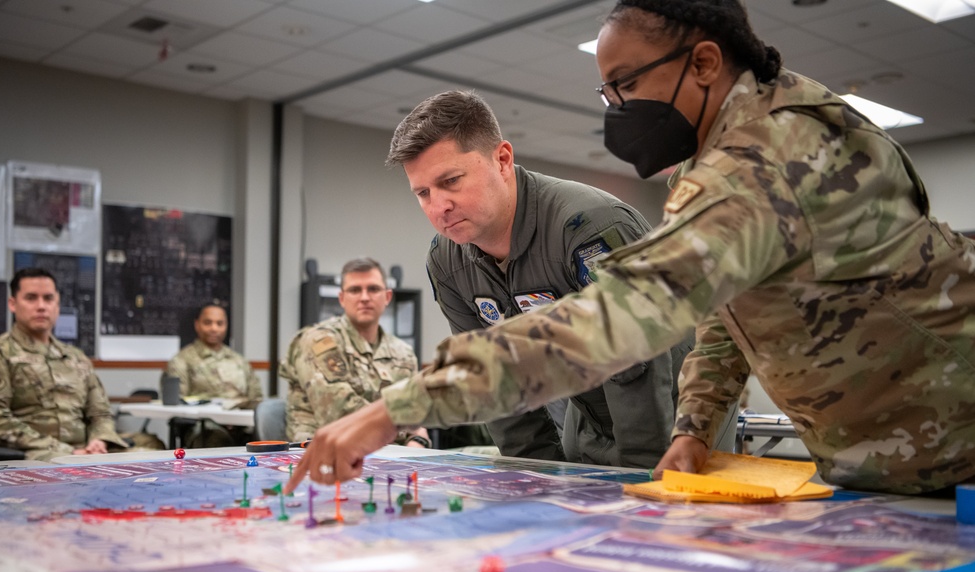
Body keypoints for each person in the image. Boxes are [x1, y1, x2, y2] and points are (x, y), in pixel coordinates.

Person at [287, 0, 975, 497]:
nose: (615, 107)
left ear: (703, 62)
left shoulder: (766, 157)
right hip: (897, 465)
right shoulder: (721, 158)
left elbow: (614, 321)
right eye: (606, 90)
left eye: (627, 85)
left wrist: (395, 408)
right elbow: (730, 311)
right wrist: (696, 424)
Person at [386, 89, 702, 468]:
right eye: (423, 192)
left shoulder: (589, 227)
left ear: (502, 160)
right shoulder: (446, 261)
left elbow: (638, 365)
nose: (438, 207)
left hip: (680, 415)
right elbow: (491, 380)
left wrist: (638, 477)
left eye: (451, 180)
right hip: (586, 414)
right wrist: (532, 475)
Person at [0, 268, 163, 461]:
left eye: (48, 298)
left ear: (57, 305)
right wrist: (66, 451)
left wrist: (99, 440)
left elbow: (100, 411)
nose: (41, 306)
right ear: (13, 304)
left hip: (84, 450)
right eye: (31, 298)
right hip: (33, 454)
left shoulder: (75, 357)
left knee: (157, 453)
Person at [280, 258, 429, 448]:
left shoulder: (404, 353)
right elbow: (339, 411)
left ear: (387, 297)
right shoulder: (318, 341)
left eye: (373, 289)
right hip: (326, 454)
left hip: (388, 454)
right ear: (342, 298)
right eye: (355, 290)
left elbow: (415, 414)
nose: (364, 297)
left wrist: (416, 442)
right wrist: (405, 431)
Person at [165, 303, 263, 446]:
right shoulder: (182, 360)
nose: (214, 328)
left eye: (220, 323)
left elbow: (256, 397)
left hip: (242, 425)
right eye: (208, 323)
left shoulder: (239, 361)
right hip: (203, 428)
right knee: (214, 438)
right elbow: (179, 403)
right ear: (197, 325)